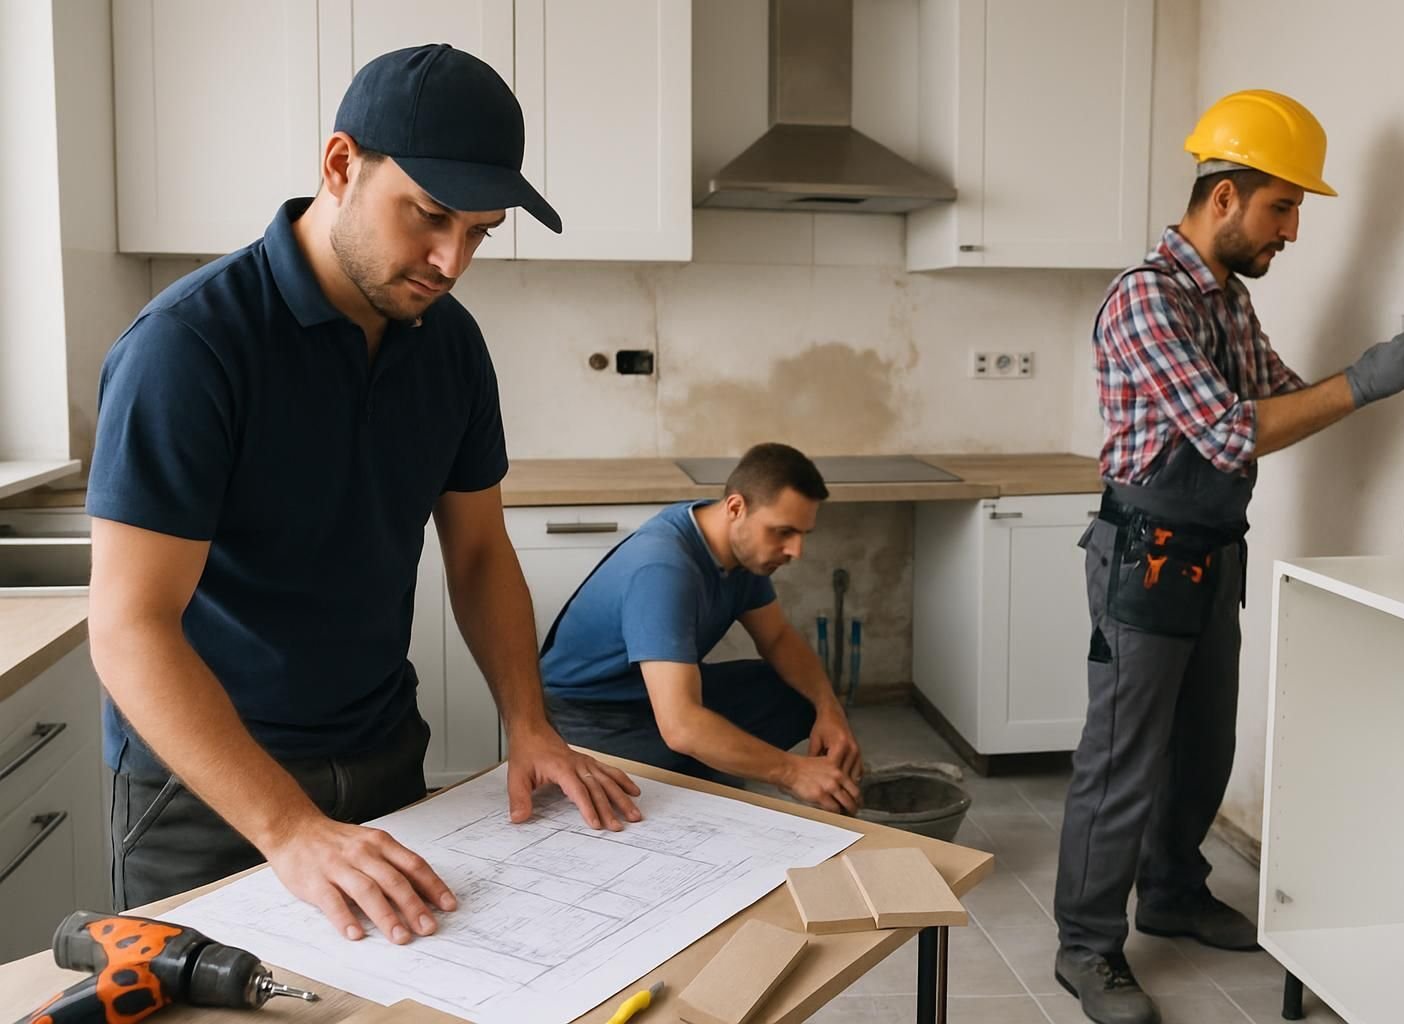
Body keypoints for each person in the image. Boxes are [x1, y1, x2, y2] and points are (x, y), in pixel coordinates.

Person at [86, 43, 641, 944]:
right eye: (429, 216)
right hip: (206, 795)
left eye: (480, 232)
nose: (452, 259)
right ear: (341, 165)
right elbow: (126, 624)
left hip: (384, 755)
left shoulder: (450, 345)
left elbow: (479, 551)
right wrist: (289, 828)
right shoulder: (190, 347)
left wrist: (529, 725)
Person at [1052, 90, 1404, 1024]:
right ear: (1223, 197)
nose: (1295, 230)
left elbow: (1284, 399)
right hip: (1142, 558)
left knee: (1202, 748)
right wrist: (1363, 382)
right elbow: (1234, 434)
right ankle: (1086, 945)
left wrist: (1366, 380)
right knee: (1123, 761)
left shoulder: (1225, 302)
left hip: (1210, 553)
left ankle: (1175, 893)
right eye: (1283, 206)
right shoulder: (1147, 298)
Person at [539, 443, 864, 814]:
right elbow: (680, 724)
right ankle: (704, 773)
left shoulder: (740, 548)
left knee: (796, 692)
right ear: (736, 508)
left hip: (653, 694)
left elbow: (777, 638)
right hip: (586, 714)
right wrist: (791, 772)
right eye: (783, 532)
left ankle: (712, 766)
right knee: (688, 752)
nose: (795, 550)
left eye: (803, 534)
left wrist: (829, 708)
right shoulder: (664, 568)